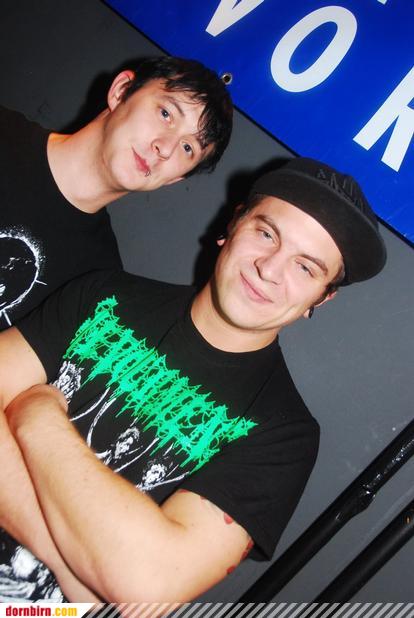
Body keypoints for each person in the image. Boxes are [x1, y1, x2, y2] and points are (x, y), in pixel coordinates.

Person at [0, 157, 386, 603]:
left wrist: (38, 416)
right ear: (232, 225)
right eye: (266, 234)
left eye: (306, 267)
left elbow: (147, 585)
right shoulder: (104, 295)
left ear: (321, 297)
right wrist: (88, 578)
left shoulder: (284, 435)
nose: (269, 269)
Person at [0, 56, 233, 330]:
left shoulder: (95, 282)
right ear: (121, 90)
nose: (166, 148)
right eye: (166, 114)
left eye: (187, 148)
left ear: (177, 178)